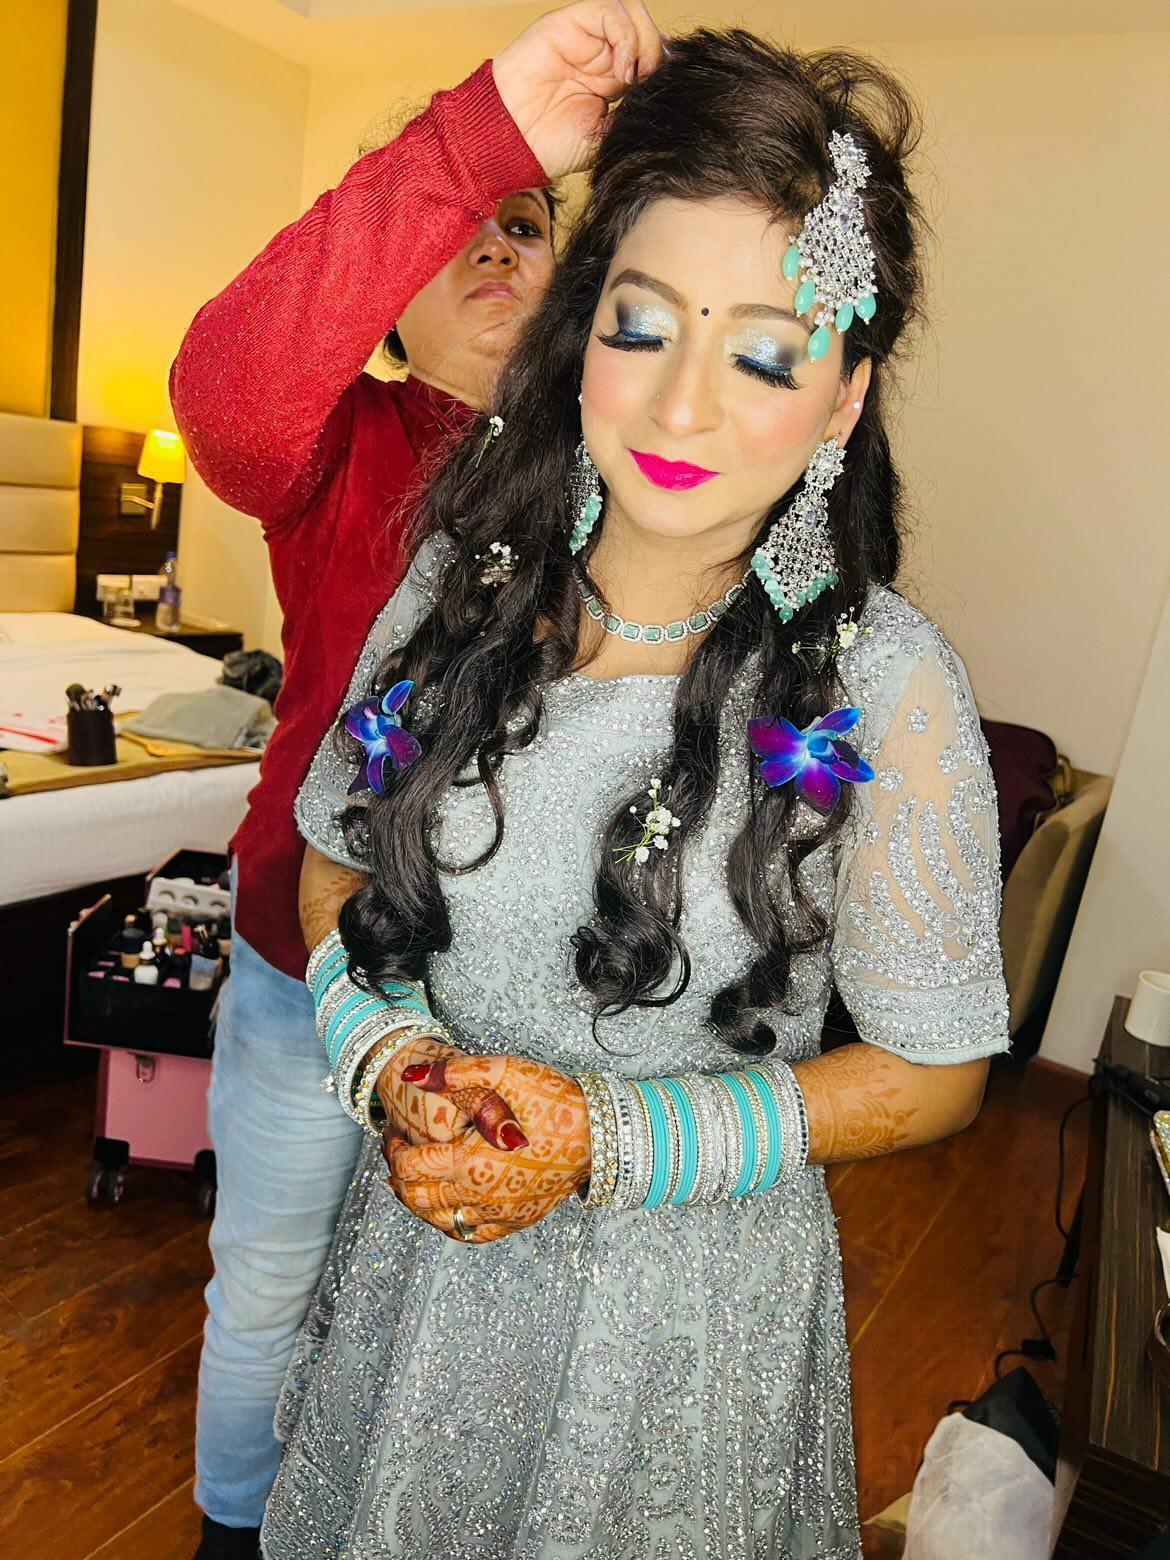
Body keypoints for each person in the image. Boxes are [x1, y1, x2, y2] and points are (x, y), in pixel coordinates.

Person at [270, 23, 1011, 1558]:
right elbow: (333, 858)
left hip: (677, 1330)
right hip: (424, 1265)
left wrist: (603, 1139)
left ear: (843, 396)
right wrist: (391, 1057)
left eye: (763, 354)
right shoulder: (457, 585)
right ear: (582, 329)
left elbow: (933, 1076)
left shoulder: (879, 684)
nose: (679, 407)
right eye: (642, 325)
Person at [166, 0, 654, 1545]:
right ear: (385, 290)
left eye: (527, 224)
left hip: (513, 1004)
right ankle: (232, 1529)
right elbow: (230, 388)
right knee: (270, 1283)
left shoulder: (627, 485)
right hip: (301, 965)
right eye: (459, 228)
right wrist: (478, 140)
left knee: (445, 1318)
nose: (498, 242)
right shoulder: (339, 448)